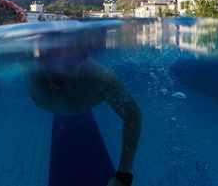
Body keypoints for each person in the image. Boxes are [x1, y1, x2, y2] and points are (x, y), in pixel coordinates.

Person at [25, 41, 142, 186]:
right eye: (51, 61)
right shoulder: (31, 72)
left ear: (83, 59)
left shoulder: (102, 80)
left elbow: (133, 115)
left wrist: (124, 175)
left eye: (69, 62)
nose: (59, 70)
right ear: (41, 59)